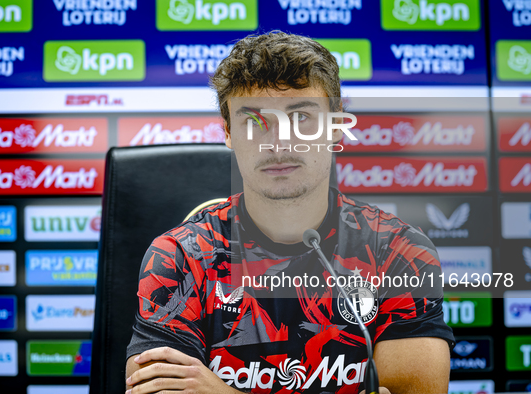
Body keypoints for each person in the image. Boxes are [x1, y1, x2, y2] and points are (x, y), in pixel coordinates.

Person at [125, 31, 454, 394]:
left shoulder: (397, 251)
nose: (279, 141)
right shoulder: (180, 256)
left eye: (301, 118)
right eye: (254, 121)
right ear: (228, 133)